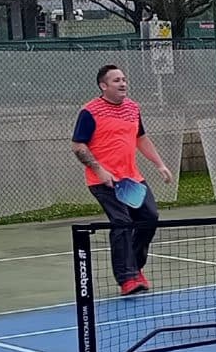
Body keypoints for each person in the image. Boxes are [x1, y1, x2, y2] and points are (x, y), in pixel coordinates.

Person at [72, 64, 171, 296]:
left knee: (149, 217)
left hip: (131, 180)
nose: (123, 83)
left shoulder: (133, 108)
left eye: (124, 79)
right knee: (122, 222)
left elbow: (141, 138)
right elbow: (78, 145)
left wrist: (160, 164)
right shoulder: (89, 111)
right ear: (103, 86)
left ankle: (135, 268)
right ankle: (126, 279)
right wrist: (99, 170)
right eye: (116, 80)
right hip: (103, 181)